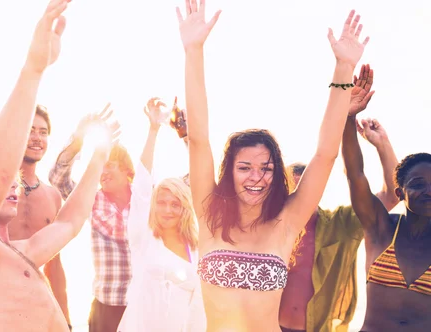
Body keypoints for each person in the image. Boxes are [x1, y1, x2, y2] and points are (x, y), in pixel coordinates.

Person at [176, 0, 370, 330]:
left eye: (266, 168)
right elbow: (198, 139)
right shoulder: (209, 214)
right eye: (245, 167)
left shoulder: (287, 221)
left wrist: (342, 70)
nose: (256, 177)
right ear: (229, 172)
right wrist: (193, 50)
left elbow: (325, 155)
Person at [0, 1, 109, 331]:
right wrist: (34, 69)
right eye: (7, 182)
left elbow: (69, 223)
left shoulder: (21, 251)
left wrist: (99, 157)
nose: (12, 184)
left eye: (14, 181)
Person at [279, 65, 400, 332]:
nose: (301, 196)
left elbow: (393, 195)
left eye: (306, 188)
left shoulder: (339, 224)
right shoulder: (268, 225)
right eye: (292, 189)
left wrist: (383, 144)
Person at [117, 97, 206, 332]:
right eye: (162, 202)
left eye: (175, 204)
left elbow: (202, 180)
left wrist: (187, 137)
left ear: (184, 209)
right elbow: (142, 188)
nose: (168, 209)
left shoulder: (195, 248)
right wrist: (153, 130)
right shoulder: (143, 237)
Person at [343, 99, 431, 330]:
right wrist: (348, 116)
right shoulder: (381, 227)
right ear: (400, 193)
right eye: (418, 184)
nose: (428, 191)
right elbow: (355, 174)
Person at [49, 107, 133, 332]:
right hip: (104, 309)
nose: (102, 172)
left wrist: (185, 136)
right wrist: (78, 138)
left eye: (110, 166)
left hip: (140, 305)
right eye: (100, 166)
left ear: (128, 172)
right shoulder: (91, 199)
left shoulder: (149, 200)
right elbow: (58, 179)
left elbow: (188, 186)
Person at [7, 105, 71, 328]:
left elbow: (54, 265)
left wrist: (66, 321)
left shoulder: (53, 196)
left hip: (36, 303)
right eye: (29, 130)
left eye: (43, 132)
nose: (37, 138)